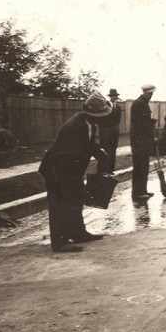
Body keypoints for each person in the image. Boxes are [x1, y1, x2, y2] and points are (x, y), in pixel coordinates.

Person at [38, 92, 110, 253]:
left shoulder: (89, 123)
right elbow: (72, 153)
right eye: (99, 115)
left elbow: (89, 144)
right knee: (60, 203)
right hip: (57, 169)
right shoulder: (75, 126)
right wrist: (73, 180)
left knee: (75, 199)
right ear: (91, 113)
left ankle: (78, 233)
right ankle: (59, 242)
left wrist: (99, 153)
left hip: (70, 168)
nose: (101, 117)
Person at [130, 84, 157, 201]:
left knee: (144, 166)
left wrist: (150, 122)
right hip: (139, 141)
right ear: (145, 92)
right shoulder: (138, 104)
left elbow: (144, 121)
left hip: (143, 140)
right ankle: (137, 193)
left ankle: (143, 190)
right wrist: (150, 125)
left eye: (152, 94)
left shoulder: (144, 103)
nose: (151, 95)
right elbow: (139, 124)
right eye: (149, 93)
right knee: (139, 167)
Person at [99, 89, 122, 174]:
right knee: (105, 151)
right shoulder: (105, 106)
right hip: (106, 133)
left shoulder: (118, 108)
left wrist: (115, 130)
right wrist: (104, 131)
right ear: (110, 97)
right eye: (112, 96)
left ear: (117, 97)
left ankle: (111, 169)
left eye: (115, 96)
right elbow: (102, 120)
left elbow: (118, 121)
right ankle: (103, 170)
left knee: (113, 151)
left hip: (114, 133)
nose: (114, 97)